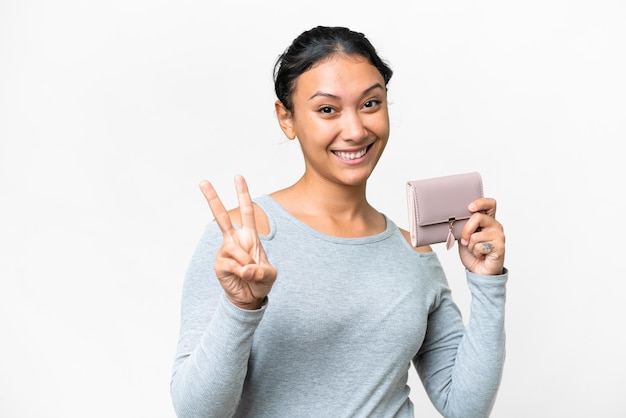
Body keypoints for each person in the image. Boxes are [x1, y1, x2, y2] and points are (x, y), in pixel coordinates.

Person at [170, 25, 508, 418]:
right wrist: (240, 306)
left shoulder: (413, 251)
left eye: (370, 104)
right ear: (287, 118)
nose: (355, 129)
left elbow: (465, 408)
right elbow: (197, 412)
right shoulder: (243, 241)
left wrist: (487, 282)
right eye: (327, 109)